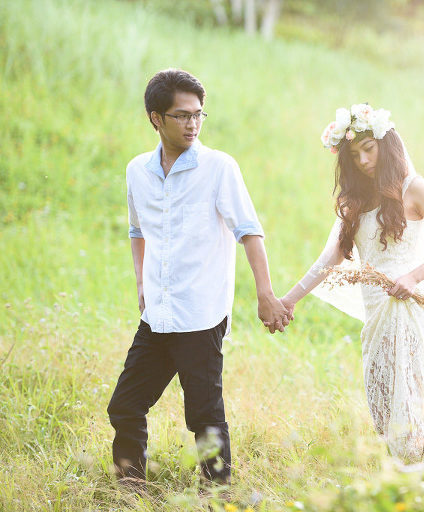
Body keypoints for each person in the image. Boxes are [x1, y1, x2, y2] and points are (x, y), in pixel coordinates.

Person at [107, 68, 290, 489]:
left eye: (199, 115)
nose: (192, 124)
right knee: (126, 405)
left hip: (201, 312)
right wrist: (140, 283)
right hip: (158, 314)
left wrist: (266, 295)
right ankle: (131, 490)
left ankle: (218, 495)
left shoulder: (219, 167)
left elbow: (249, 231)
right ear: (156, 118)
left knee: (205, 418)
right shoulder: (137, 170)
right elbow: (138, 231)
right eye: (182, 115)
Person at [280, 104, 424, 464]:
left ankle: (419, 474)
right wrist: (288, 300)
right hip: (375, 310)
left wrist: (412, 277)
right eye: (355, 154)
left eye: (370, 148)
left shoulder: (414, 188)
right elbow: (328, 260)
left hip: (409, 306)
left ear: (387, 144)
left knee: (408, 397)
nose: (364, 159)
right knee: (380, 399)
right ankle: (407, 468)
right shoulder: (354, 200)